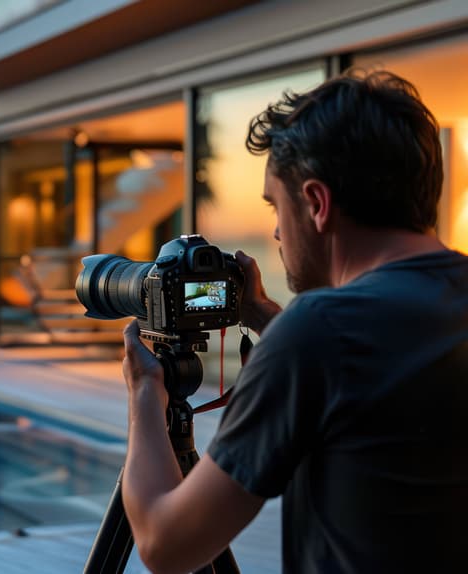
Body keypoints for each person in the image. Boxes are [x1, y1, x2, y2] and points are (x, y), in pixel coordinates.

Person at [119, 69, 468, 573]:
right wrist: (266, 317)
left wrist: (143, 395)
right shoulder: (346, 332)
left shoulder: (319, 333)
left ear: (317, 204)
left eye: (276, 207)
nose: (277, 232)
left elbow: (164, 544)